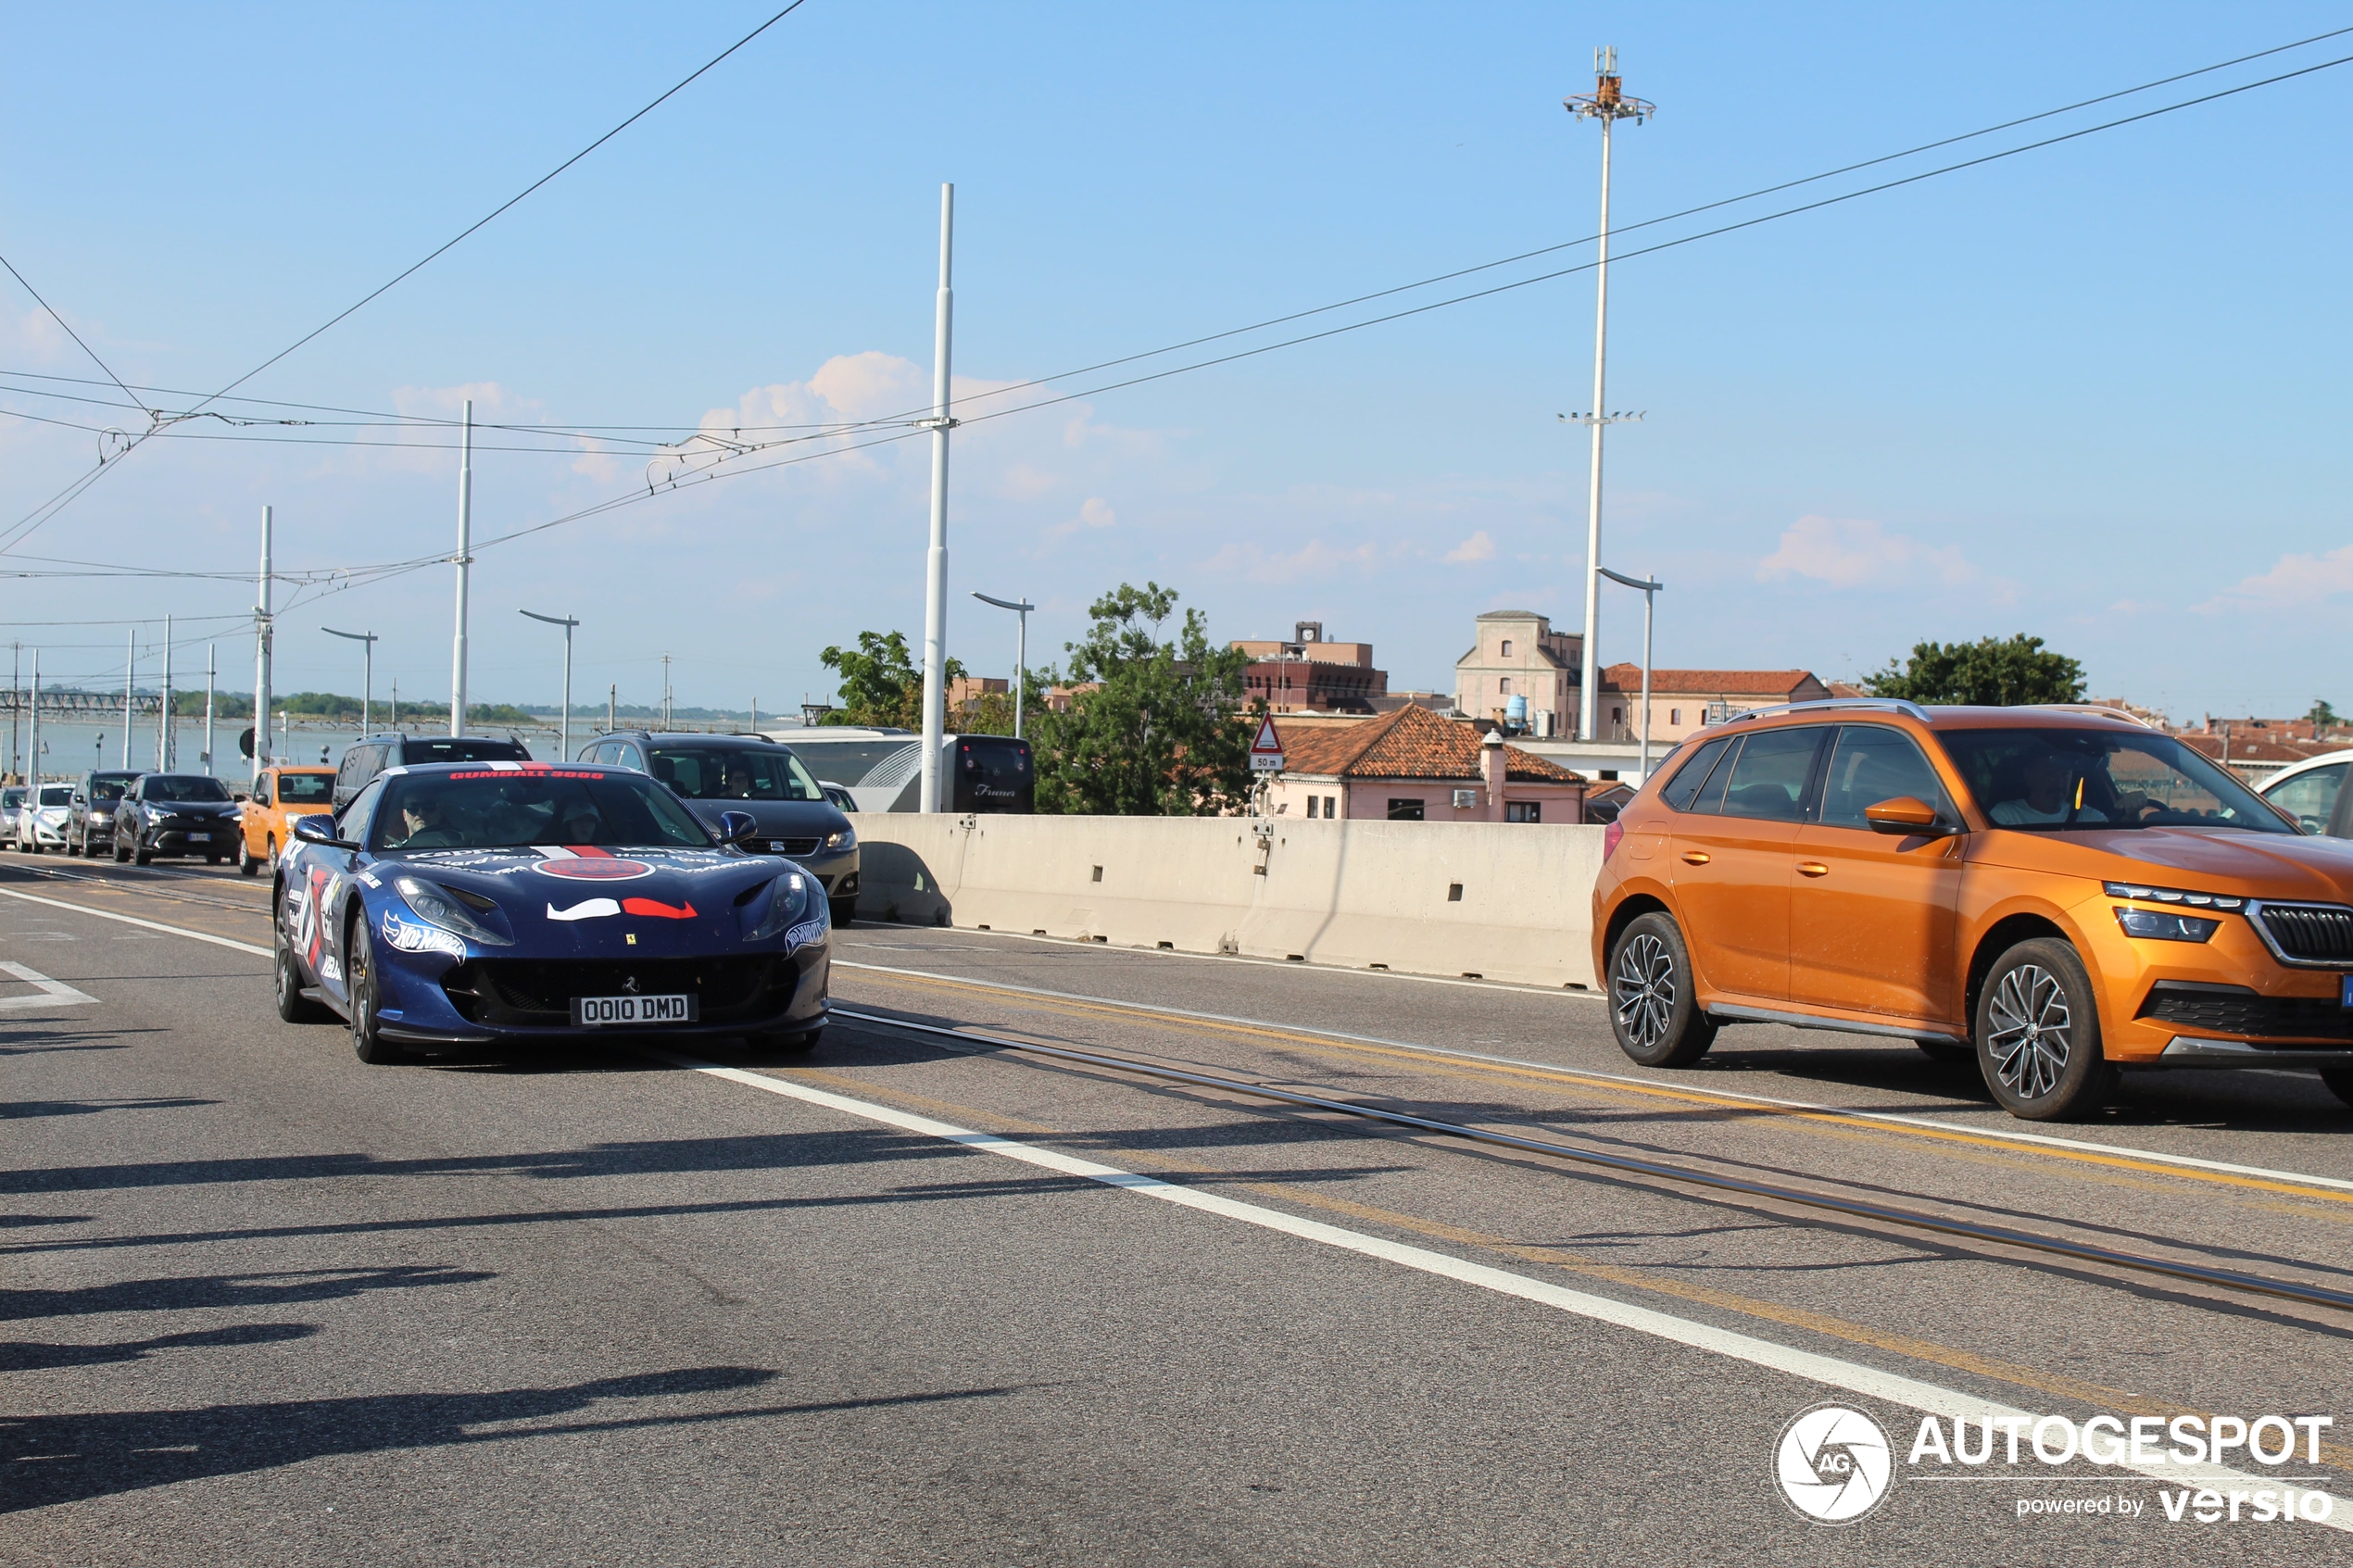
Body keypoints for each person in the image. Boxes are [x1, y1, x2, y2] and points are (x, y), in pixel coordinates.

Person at [1989, 748, 2108, 827]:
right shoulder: (2005, 816)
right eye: (2049, 773)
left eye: (2065, 774)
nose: (2059, 782)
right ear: (2029, 776)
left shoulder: (2087, 817)